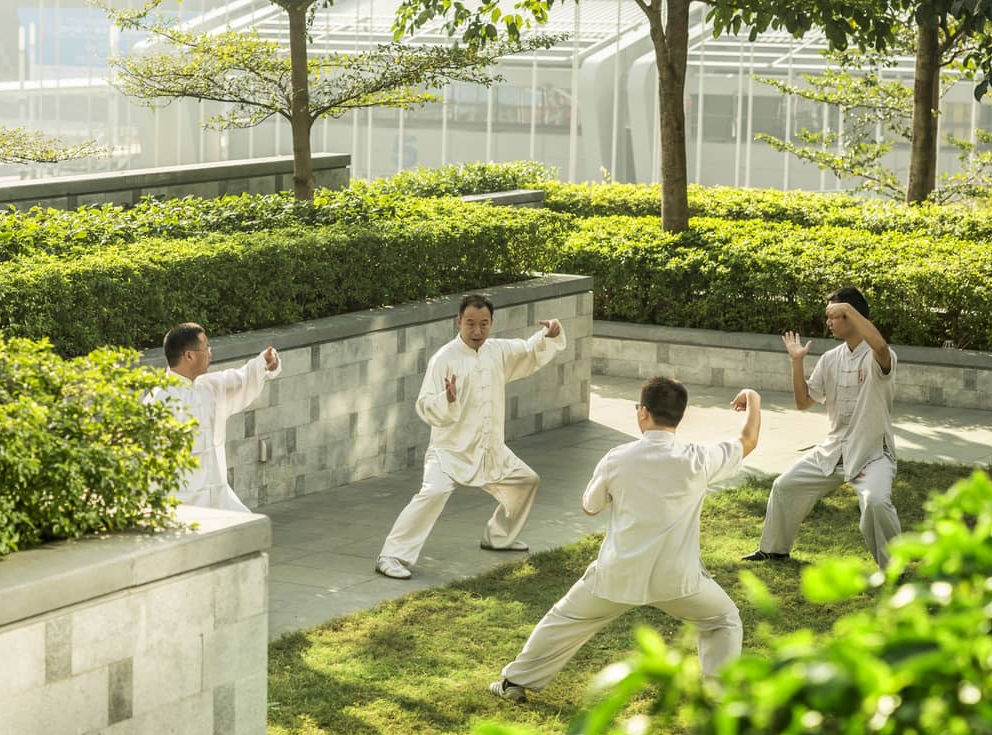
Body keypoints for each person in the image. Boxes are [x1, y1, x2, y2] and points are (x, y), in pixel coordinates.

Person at [489, 377, 762, 703]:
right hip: (678, 579)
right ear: (679, 415)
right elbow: (748, 439)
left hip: (618, 575)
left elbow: (590, 507)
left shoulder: (617, 458)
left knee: (563, 621)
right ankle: (720, 700)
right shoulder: (699, 459)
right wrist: (753, 398)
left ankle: (513, 684)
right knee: (724, 619)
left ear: (643, 413)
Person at [374, 294, 566, 580]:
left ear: (491, 323)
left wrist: (550, 333)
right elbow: (424, 405)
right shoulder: (444, 359)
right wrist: (447, 399)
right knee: (433, 492)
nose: (477, 331)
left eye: (484, 324)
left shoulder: (498, 351)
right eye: (470, 324)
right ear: (459, 322)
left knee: (526, 481)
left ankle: (499, 537)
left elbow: (528, 351)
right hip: (449, 452)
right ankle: (391, 556)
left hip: (490, 451)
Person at [742, 287, 901, 569]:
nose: (828, 322)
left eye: (833, 316)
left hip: (873, 452)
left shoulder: (879, 355)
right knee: (785, 486)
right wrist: (797, 361)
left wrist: (849, 308)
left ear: (851, 316)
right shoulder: (830, 359)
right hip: (833, 449)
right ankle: (774, 550)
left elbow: (880, 347)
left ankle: (893, 569)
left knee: (876, 502)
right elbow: (803, 401)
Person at [147, 322, 281, 513]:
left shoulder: (208, 386)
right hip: (181, 502)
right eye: (206, 347)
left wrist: (265, 362)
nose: (210, 352)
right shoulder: (159, 399)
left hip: (218, 495)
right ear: (189, 355)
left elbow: (241, 378)